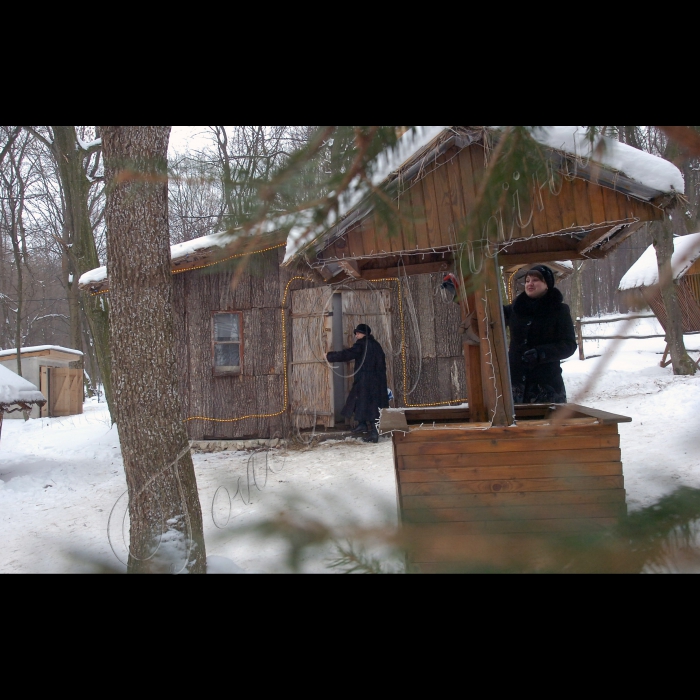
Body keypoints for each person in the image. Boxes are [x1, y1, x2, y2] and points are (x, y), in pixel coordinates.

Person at [503, 265, 577, 405]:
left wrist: (541, 353)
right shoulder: (515, 309)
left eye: (536, 280)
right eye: (527, 280)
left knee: (548, 426)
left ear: (547, 284)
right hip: (516, 386)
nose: (530, 284)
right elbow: (487, 314)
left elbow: (569, 345)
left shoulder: (559, 310)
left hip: (546, 386)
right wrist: (462, 297)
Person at [326, 324, 389, 443]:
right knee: (367, 404)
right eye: (356, 333)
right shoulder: (376, 345)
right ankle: (363, 424)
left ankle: (373, 433)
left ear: (364, 334)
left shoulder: (361, 345)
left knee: (366, 404)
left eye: (358, 333)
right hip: (378, 381)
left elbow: (347, 354)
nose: (356, 335)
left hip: (366, 380)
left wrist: (329, 356)